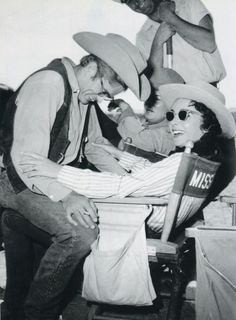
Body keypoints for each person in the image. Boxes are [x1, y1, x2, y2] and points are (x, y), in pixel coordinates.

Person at [0, 32, 150, 320]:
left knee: (80, 219)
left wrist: (128, 185)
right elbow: (25, 160)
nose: (102, 99)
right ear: (93, 67)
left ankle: (15, 226)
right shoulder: (49, 84)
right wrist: (67, 196)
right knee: (80, 234)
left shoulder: (83, 95)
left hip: (44, 179)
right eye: (103, 90)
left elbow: (94, 146)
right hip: (15, 180)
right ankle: (39, 316)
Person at [19, 81, 236, 234]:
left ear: (207, 125)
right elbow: (156, 174)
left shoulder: (182, 161)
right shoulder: (201, 161)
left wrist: (57, 171)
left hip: (140, 225)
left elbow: (121, 185)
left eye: (183, 115)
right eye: (171, 115)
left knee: (41, 214)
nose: (173, 122)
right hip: (158, 219)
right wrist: (118, 154)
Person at [112, 0, 226, 84]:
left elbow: (209, 44)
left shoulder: (189, 4)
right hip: (175, 102)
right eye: (128, 1)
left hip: (210, 94)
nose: (136, 3)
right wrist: (158, 41)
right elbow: (154, 81)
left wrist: (171, 18)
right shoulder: (142, 37)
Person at [107, 91, 175, 155]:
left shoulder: (170, 135)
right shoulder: (143, 123)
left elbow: (136, 139)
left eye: (156, 99)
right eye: (148, 98)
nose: (149, 103)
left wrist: (125, 108)